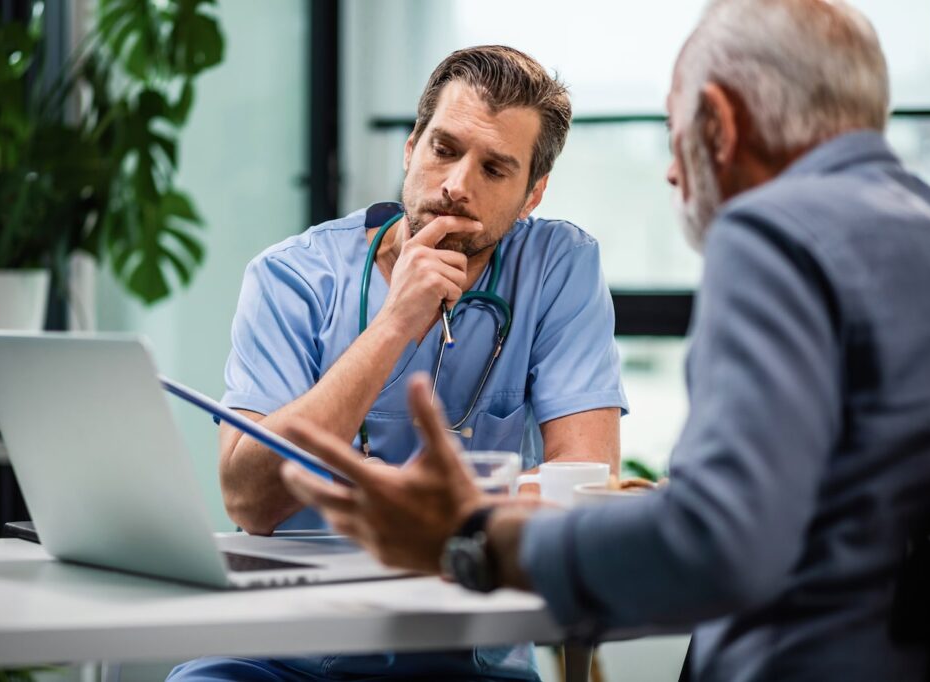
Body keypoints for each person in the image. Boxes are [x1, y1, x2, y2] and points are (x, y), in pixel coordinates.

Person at [280, 1, 930, 680]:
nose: (672, 174)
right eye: (444, 148)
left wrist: (473, 537)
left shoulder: (773, 231)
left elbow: (718, 541)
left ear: (718, 122)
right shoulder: (928, 229)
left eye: (673, 132)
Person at [169, 46, 628, 681]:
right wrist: (395, 323)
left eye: (495, 168)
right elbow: (248, 498)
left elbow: (585, 483)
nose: (457, 185)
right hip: (281, 652)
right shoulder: (290, 277)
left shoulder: (556, 269)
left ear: (532, 195)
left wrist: (445, 517)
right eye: (444, 148)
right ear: (410, 148)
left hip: (468, 654)